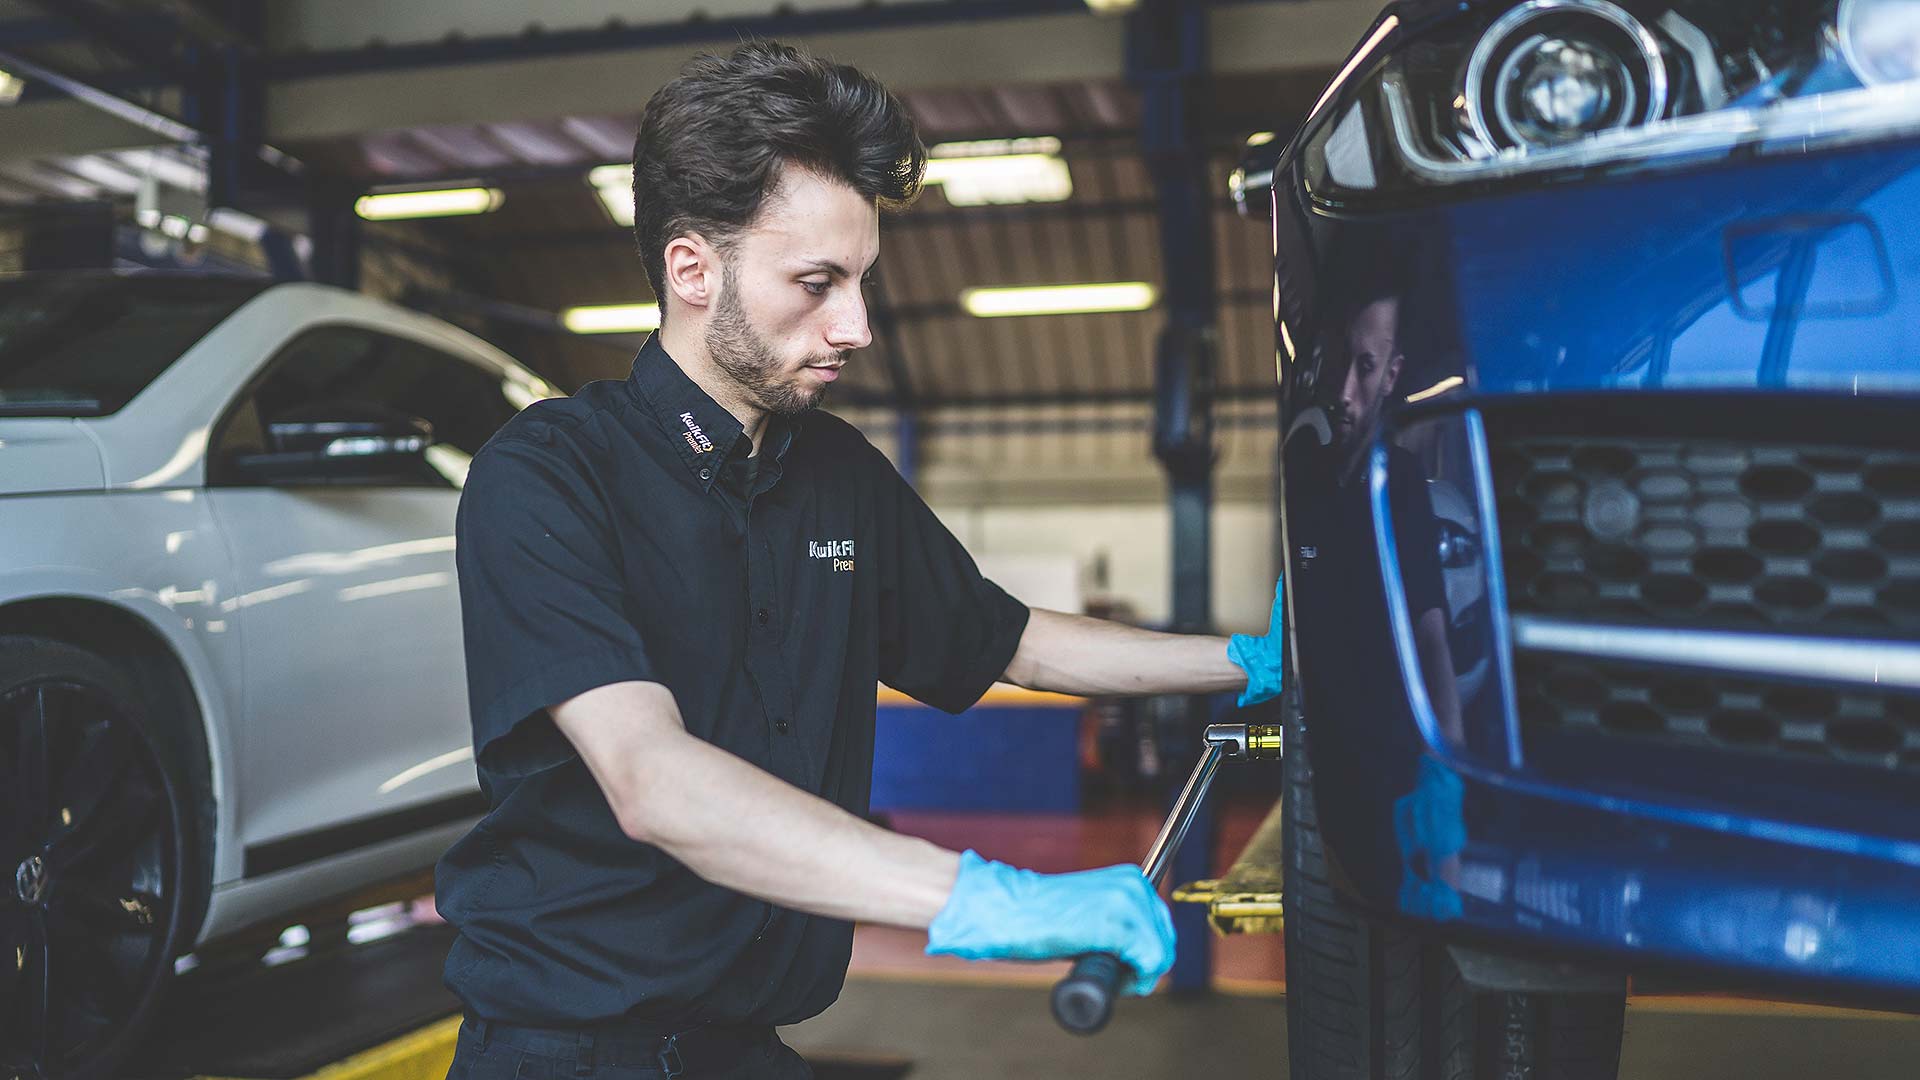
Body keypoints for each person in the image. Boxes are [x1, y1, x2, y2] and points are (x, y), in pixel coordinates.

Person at [437, 42, 1287, 1079]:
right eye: (817, 283)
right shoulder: (548, 474)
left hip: (747, 1048)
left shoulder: (834, 471)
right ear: (693, 270)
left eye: (862, 281)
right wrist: (982, 897)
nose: (858, 326)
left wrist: (1245, 659)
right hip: (567, 1055)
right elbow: (652, 780)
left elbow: (1009, 640)